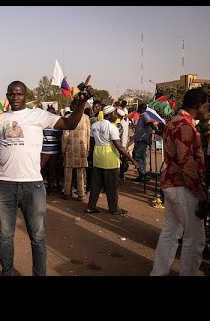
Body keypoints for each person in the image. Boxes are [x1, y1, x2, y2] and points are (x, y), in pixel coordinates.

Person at [0, 78, 94, 276]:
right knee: (6, 235)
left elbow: (69, 123)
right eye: (11, 93)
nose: (15, 97)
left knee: (38, 236)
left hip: (32, 186)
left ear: (25, 95)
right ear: (7, 96)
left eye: (19, 93)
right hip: (4, 185)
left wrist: (82, 103)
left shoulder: (38, 115)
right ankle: (7, 272)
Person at [151, 88, 210, 276]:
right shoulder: (184, 125)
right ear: (197, 106)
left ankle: (158, 272)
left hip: (172, 184)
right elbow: (186, 162)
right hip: (183, 186)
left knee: (170, 233)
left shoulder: (173, 121)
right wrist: (200, 193)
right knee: (195, 238)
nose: (207, 109)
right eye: (205, 105)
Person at [86, 106, 140, 215]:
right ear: (109, 115)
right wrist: (132, 160)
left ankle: (91, 207)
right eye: (115, 114)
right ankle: (114, 209)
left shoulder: (95, 125)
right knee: (112, 186)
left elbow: (91, 144)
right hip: (109, 159)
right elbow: (119, 147)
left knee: (96, 185)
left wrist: (91, 158)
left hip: (97, 157)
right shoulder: (112, 127)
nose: (116, 116)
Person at [61, 98, 90, 201]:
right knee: (80, 172)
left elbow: (65, 135)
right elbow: (88, 133)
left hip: (70, 147)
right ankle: (81, 194)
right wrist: (87, 148)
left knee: (68, 172)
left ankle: (67, 192)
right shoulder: (86, 118)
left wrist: (63, 149)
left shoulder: (68, 117)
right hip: (82, 147)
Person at [133, 103, 162, 182]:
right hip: (139, 139)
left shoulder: (145, 116)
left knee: (139, 157)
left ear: (141, 108)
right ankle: (142, 174)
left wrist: (156, 130)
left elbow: (150, 123)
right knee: (139, 157)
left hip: (142, 140)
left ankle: (142, 174)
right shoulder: (142, 116)